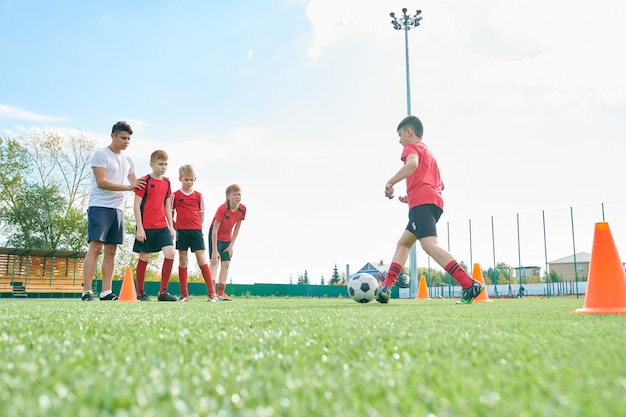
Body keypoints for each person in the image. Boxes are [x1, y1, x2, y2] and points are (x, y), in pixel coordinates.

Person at [376, 115, 484, 304]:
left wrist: (391, 181)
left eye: (400, 135)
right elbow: (440, 185)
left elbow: (412, 165)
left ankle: (469, 284)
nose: (399, 141)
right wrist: (411, 196)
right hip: (433, 203)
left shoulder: (412, 148)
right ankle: (386, 285)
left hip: (422, 205)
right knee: (403, 244)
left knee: (429, 245)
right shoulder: (429, 153)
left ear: (409, 132)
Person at [82, 121, 146, 301]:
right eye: (123, 138)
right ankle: (87, 291)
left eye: (129, 139)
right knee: (95, 247)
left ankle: (106, 292)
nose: (126, 141)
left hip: (117, 209)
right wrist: (128, 187)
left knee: (111, 250)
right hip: (100, 206)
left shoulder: (129, 160)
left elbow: (138, 185)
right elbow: (101, 182)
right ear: (113, 136)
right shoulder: (101, 155)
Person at [132, 150, 177, 302]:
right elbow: (136, 206)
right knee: (144, 256)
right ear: (152, 165)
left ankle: (163, 292)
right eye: (160, 164)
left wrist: (171, 226)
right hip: (146, 227)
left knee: (170, 253)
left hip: (162, 226)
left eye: (166, 164)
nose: (163, 167)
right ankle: (140, 293)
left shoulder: (167, 182)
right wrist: (140, 228)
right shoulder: (144, 181)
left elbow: (167, 204)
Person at [171, 164, 218, 302]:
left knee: (201, 259)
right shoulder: (175, 195)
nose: (189, 182)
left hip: (196, 231)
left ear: (195, 179)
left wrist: (195, 226)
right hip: (182, 232)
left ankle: (212, 293)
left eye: (191, 179)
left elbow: (201, 216)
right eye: (186, 179)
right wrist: (177, 227)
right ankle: (184, 295)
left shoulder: (199, 196)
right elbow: (171, 214)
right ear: (180, 179)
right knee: (183, 259)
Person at [209, 184, 246, 301]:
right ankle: (212, 294)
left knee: (226, 264)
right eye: (235, 194)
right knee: (214, 262)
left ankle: (220, 294)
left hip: (227, 239)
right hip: (215, 236)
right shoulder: (222, 208)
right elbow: (214, 230)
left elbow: (237, 227)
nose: (237, 197)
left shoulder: (243, 209)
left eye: (239, 194)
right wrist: (214, 251)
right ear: (228, 196)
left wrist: (231, 246)